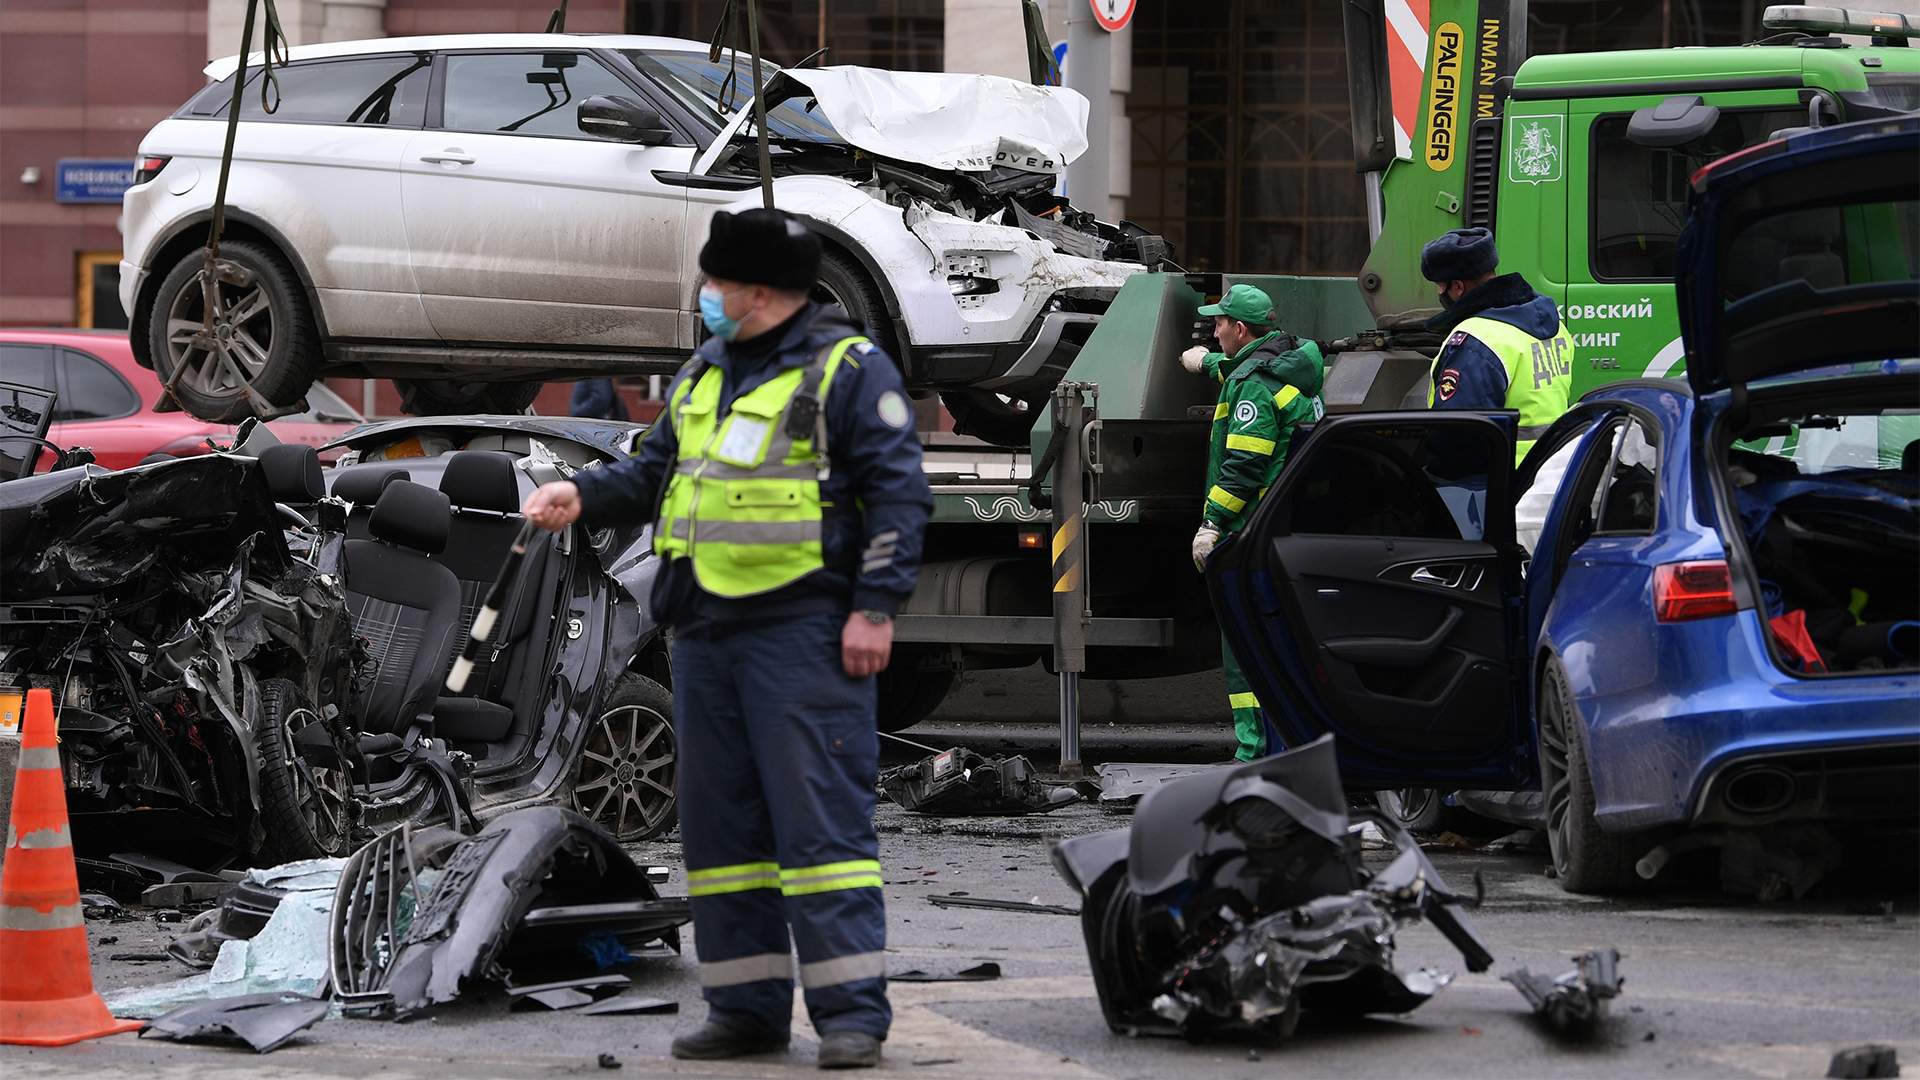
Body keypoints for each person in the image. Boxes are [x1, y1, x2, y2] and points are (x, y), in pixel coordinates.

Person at [522, 208, 932, 1070]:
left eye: (715, 282)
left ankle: (852, 1016)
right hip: (704, 633)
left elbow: (898, 499)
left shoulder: (847, 372)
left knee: (819, 832)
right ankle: (746, 1010)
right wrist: (583, 496)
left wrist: (875, 609)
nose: (704, 295)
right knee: (720, 833)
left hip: (804, 634)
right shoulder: (707, 369)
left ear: (756, 290)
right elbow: (656, 472)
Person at [1180, 283, 1326, 762]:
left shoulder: (1252, 387)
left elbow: (1244, 464)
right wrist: (1208, 364)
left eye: (1220, 324)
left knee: (1245, 652)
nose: (1214, 329)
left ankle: (1255, 755)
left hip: (1250, 532)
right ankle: (1292, 751)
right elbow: (1252, 372)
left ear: (1240, 329)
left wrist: (1212, 523)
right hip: (1287, 528)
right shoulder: (1290, 367)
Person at [1421, 227, 1574, 465]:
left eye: (1441, 287)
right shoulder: (1554, 324)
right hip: (1552, 473)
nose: (1439, 294)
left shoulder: (1475, 341)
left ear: (1458, 288)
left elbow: (1456, 443)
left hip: (1498, 487)